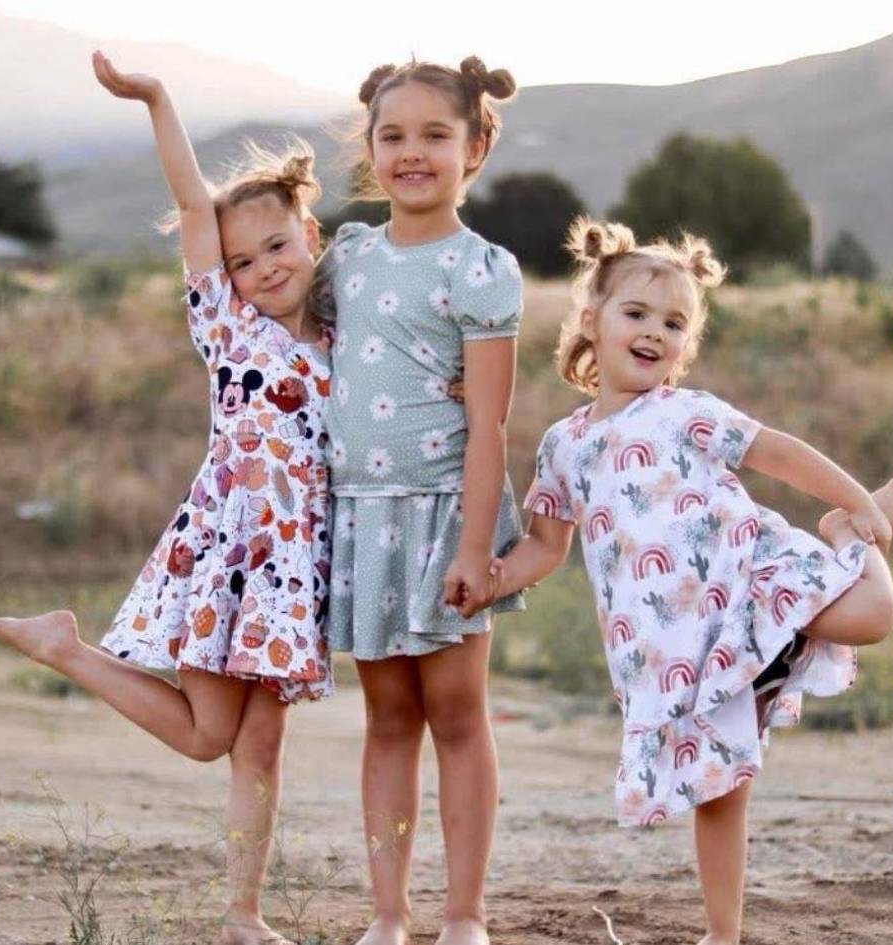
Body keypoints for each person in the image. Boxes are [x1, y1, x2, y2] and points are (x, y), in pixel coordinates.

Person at [480, 217, 893, 945]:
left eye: (674, 323)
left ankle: (845, 538)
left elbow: (778, 453)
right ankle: (724, 934)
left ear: (685, 346)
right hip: (672, 644)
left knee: (875, 615)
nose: (654, 332)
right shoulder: (564, 446)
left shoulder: (686, 412)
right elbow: (545, 545)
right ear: (591, 320)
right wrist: (493, 578)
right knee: (720, 786)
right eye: (636, 313)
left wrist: (858, 504)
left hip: (747, 584)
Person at [0, 51, 334, 945]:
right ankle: (67, 649)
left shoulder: (345, 343)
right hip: (226, 555)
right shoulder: (228, 326)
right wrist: (157, 99)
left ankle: (244, 915)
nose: (263, 268)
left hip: (293, 573)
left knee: (259, 745)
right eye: (243, 259)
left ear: (312, 236)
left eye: (278, 246)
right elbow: (191, 206)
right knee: (210, 735)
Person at [319, 56, 521, 945]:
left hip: (445, 514)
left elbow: (490, 423)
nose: (412, 153)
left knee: (458, 716)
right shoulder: (347, 258)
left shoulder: (480, 269)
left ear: (474, 147)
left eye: (435, 135)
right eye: (393, 135)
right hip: (362, 516)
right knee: (389, 718)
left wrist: (475, 547)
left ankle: (465, 914)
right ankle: (390, 913)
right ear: (369, 149)